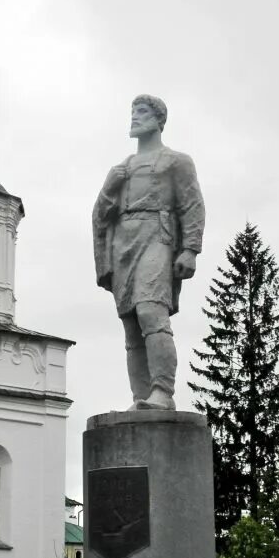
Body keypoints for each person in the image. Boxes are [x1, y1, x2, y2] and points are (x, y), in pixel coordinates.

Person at [92, 95, 205, 410]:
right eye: (132, 112)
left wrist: (191, 249)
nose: (134, 118)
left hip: (158, 234)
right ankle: (141, 397)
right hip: (123, 243)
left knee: (150, 310)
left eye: (141, 112)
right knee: (131, 324)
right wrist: (108, 187)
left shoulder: (176, 161)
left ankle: (162, 392)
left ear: (159, 120)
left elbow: (192, 204)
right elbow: (102, 213)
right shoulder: (121, 168)